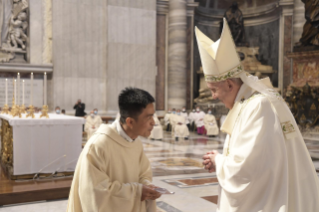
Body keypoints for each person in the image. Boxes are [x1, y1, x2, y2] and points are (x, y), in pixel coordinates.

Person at [196, 18, 319, 211]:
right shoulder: (246, 104)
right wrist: (221, 161)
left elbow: (248, 170)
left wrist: (218, 161)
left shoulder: (258, 106)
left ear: (229, 85)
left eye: (213, 90)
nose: (213, 96)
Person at [67, 88, 161, 212]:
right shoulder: (98, 146)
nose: (153, 122)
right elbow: (94, 195)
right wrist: (137, 191)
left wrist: (147, 187)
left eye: (153, 116)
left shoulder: (136, 142)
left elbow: (143, 173)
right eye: (148, 118)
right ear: (130, 122)